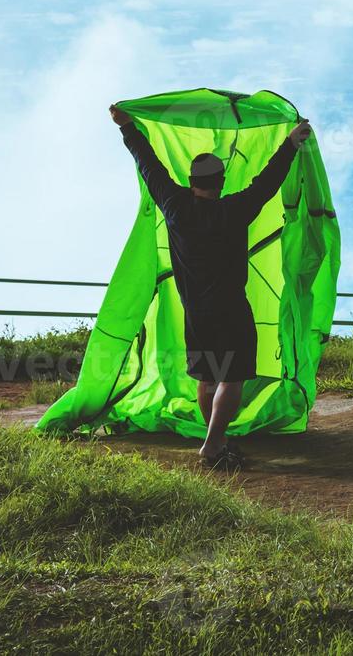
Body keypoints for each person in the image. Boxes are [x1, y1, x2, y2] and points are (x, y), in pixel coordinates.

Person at [109, 103, 313, 468]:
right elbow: (267, 182)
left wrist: (127, 128)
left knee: (207, 379)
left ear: (191, 181)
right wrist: (290, 144)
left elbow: (149, 164)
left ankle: (214, 440)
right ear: (219, 183)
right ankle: (213, 445)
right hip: (232, 311)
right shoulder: (234, 209)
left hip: (196, 313)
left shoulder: (174, 206)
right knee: (232, 379)